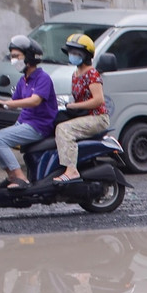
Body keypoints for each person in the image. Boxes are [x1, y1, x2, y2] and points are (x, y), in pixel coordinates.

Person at [0, 35, 58, 188]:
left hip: (38, 126)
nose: (13, 60)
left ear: (29, 57)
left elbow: (34, 101)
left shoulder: (42, 78)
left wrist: (5, 103)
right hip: (24, 123)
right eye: (12, 57)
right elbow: (13, 102)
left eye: (17, 56)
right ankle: (11, 175)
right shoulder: (23, 80)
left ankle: (21, 178)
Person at [53, 34, 109, 184]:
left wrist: (74, 106)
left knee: (64, 129)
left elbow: (98, 100)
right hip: (83, 116)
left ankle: (71, 170)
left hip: (97, 118)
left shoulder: (92, 73)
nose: (72, 55)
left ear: (86, 55)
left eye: (76, 53)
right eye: (70, 52)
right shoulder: (75, 74)